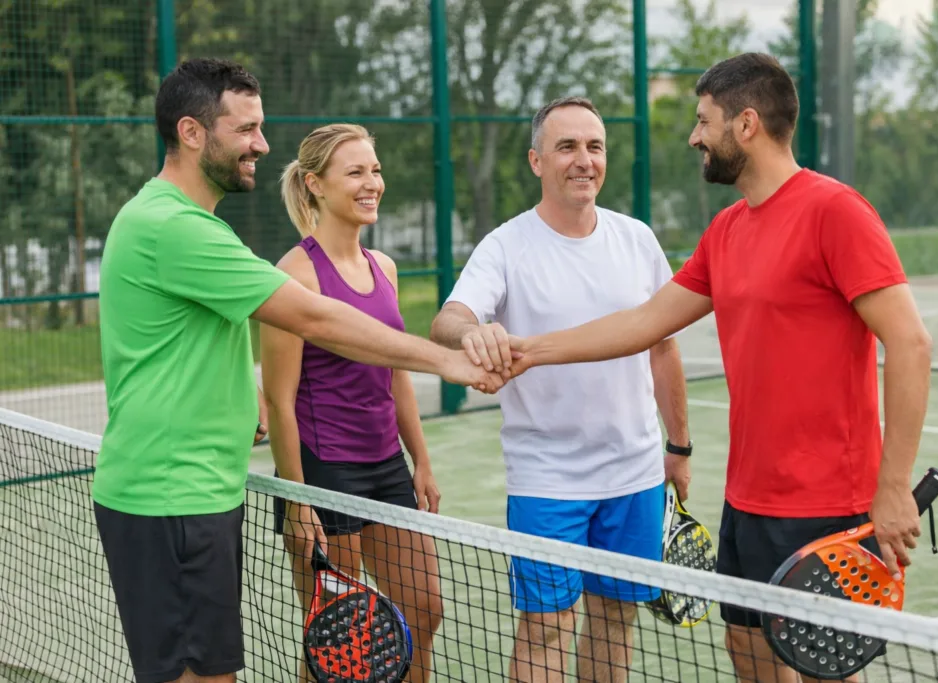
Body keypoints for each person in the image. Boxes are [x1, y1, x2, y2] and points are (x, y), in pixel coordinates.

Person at [503, 53, 933, 683]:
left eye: (704, 121)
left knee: (820, 670)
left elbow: (911, 344)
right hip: (747, 497)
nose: (694, 136)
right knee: (748, 652)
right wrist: (527, 352)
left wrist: (893, 487)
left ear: (747, 124)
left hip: (826, 501)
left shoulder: (835, 212)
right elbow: (643, 323)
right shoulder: (727, 230)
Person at [92, 58, 505, 683]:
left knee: (210, 672)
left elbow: (191, 341)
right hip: (169, 499)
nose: (261, 143)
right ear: (192, 132)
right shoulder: (174, 228)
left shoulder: (179, 223)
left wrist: (245, 399)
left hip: (195, 492)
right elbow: (317, 320)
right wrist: (448, 358)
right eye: (247, 129)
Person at [429, 96, 692, 683]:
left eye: (594, 146)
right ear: (536, 161)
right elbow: (447, 321)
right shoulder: (505, 245)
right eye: (567, 147)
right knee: (546, 628)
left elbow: (663, 347)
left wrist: (679, 447)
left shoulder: (638, 239)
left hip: (636, 474)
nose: (584, 160)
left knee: (615, 621)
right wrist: (477, 331)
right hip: (548, 481)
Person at [260, 123, 443, 683]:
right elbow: (279, 398)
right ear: (315, 184)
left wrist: (422, 460)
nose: (372, 183)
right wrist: (297, 498)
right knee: (341, 637)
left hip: (387, 467)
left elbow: (397, 375)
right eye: (356, 172)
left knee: (424, 611)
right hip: (324, 472)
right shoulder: (292, 275)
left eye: (376, 170)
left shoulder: (383, 267)